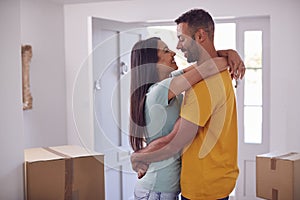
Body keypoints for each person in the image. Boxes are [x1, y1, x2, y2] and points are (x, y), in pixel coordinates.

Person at [131, 9, 245, 200]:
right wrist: (139, 157)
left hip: (201, 188)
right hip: (163, 188)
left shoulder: (202, 84)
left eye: (181, 39)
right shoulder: (163, 90)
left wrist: (228, 55)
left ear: (200, 35)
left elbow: (176, 140)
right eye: (166, 51)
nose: (177, 47)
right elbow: (206, 67)